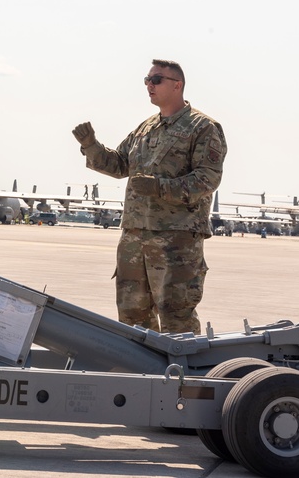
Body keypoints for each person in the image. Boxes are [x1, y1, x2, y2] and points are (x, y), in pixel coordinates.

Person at [72, 59, 226, 334]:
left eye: (156, 80)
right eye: (147, 79)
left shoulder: (202, 127)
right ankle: (143, 374)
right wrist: (91, 146)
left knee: (176, 316)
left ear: (177, 85)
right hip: (134, 237)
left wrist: (160, 187)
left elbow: (208, 179)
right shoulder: (145, 129)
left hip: (176, 238)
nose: (149, 85)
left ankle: (184, 375)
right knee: (132, 315)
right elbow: (119, 164)